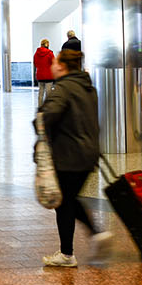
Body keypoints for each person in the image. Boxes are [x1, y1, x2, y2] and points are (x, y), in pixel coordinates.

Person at [35, 45, 110, 268]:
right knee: (69, 199)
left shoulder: (64, 88)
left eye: (56, 63)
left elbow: (48, 116)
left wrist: (39, 122)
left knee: (64, 201)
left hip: (68, 154)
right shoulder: (88, 87)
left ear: (64, 67)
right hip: (88, 154)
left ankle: (70, 252)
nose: (53, 66)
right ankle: (90, 238)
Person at [32, 38, 55, 102]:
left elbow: (35, 64)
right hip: (48, 75)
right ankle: (48, 107)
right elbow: (54, 63)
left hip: (40, 75)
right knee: (48, 93)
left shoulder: (36, 54)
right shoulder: (50, 53)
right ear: (47, 44)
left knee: (40, 92)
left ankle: (40, 107)